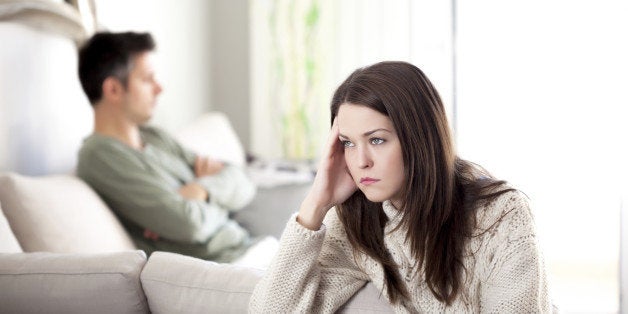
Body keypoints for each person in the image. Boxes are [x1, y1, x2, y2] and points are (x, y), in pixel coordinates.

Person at [250, 61, 555, 312]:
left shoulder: (502, 215)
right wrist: (315, 204)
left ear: (419, 139)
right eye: (348, 143)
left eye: (377, 140)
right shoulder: (355, 220)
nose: (361, 161)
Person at [76, 31, 261, 264]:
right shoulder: (99, 156)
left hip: (252, 248)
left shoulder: (154, 136)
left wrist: (200, 191)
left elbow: (243, 183)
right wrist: (221, 202)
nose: (159, 88)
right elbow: (189, 225)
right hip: (225, 265)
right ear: (113, 89)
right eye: (147, 79)